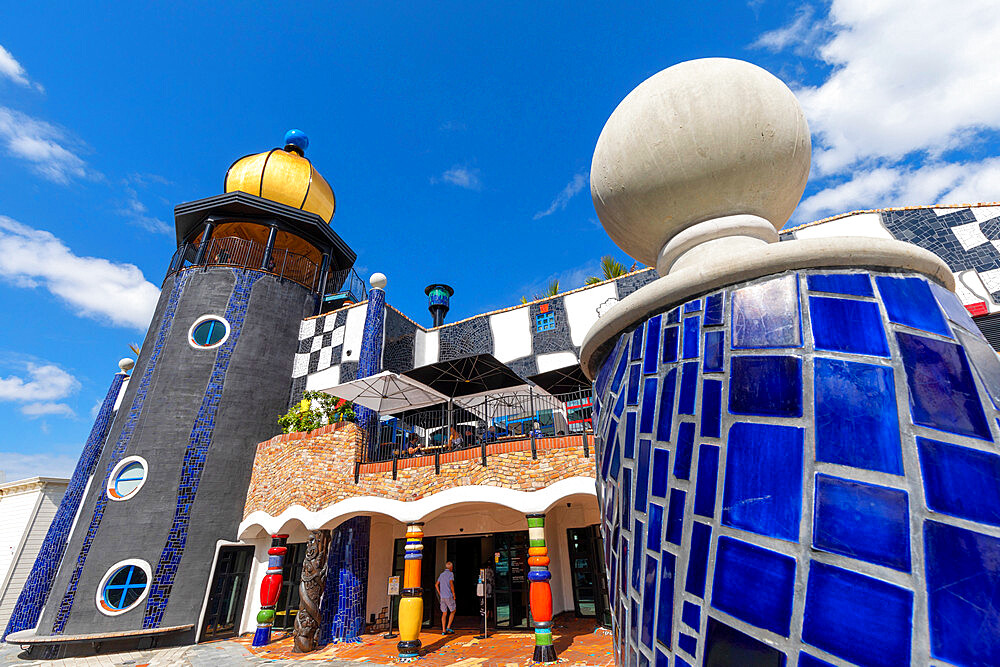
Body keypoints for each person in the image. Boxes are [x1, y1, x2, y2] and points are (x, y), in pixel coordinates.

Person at [435, 561, 456, 634]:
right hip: (448, 595)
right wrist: (453, 594)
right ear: (451, 567)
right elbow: (451, 584)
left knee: (444, 613)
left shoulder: (441, 575)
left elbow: (436, 585)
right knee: (453, 611)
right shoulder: (450, 574)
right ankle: (448, 627)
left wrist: (440, 593)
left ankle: (443, 630)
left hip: (442, 596)